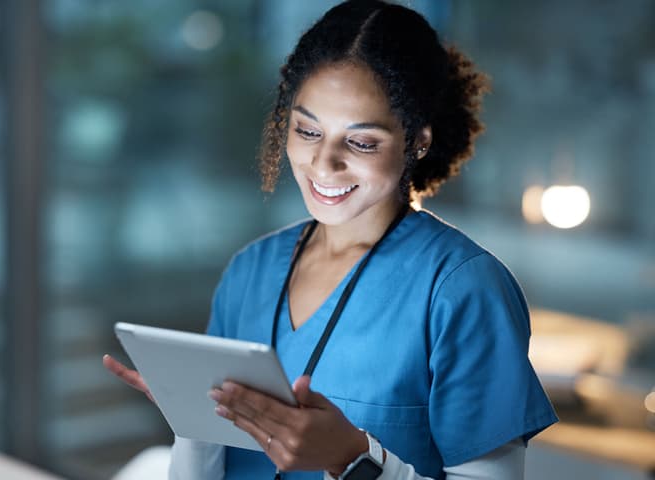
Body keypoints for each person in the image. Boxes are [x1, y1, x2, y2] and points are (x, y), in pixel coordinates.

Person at [104, 1, 558, 478]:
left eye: (361, 142)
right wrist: (192, 417)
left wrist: (354, 459)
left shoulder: (463, 291)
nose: (323, 164)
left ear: (417, 141)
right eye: (307, 130)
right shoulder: (251, 270)